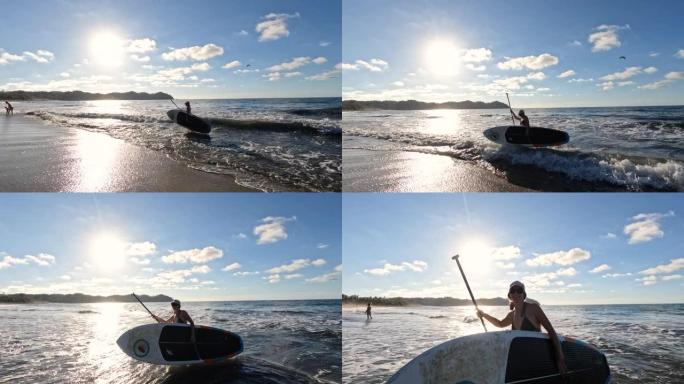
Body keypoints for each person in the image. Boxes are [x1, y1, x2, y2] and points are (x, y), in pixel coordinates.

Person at [476, 281, 566, 375]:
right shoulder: (511, 315)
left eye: (519, 290)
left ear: (524, 295)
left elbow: (551, 330)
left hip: (537, 356)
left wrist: (560, 357)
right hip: (521, 359)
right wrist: (484, 315)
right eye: (513, 291)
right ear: (510, 295)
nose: (516, 293)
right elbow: (500, 324)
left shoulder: (533, 308)